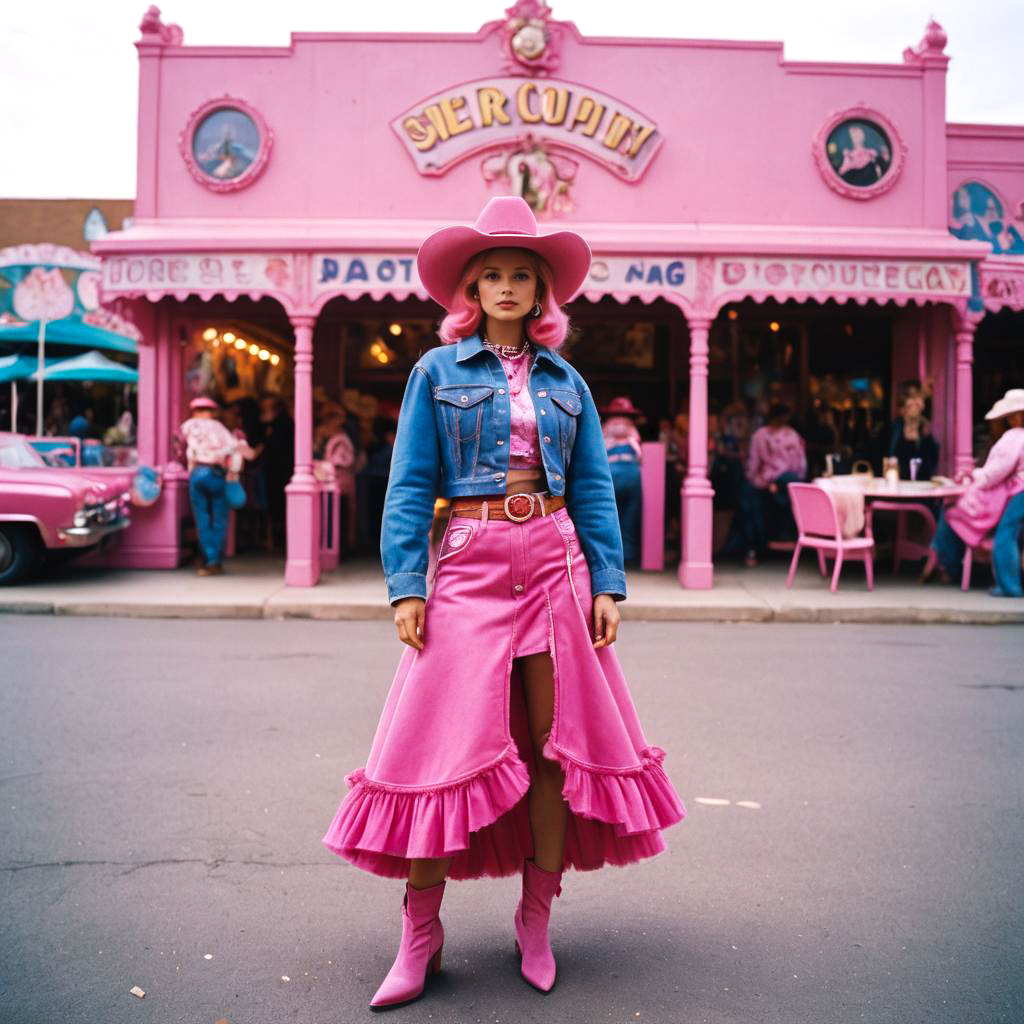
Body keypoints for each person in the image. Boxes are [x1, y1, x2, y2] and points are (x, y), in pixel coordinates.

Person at [320, 196, 686, 1009]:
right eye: (496, 276)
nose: (510, 287)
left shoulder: (568, 382)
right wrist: (406, 586)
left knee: (556, 749)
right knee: (437, 749)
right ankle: (420, 936)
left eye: (525, 275)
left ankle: (535, 920)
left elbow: (593, 488)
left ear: (543, 292)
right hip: (469, 563)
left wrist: (610, 583)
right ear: (472, 290)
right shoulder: (435, 372)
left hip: (556, 562)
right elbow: (410, 485)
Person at [923, 388, 1024, 596]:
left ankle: (1009, 586)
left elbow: (996, 471)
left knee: (1005, 534)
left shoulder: (1015, 437)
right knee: (1009, 533)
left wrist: (976, 477)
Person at [730, 403, 807, 566]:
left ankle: (753, 548)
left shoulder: (785, 435)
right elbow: (801, 466)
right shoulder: (771, 435)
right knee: (749, 498)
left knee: (749, 499)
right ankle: (755, 547)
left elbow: (753, 465)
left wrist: (766, 481)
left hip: (782, 483)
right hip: (779, 485)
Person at [180, 396, 239, 576]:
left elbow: (179, 445)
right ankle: (215, 559)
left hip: (197, 473)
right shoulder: (219, 428)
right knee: (219, 518)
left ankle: (209, 558)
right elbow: (233, 448)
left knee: (202, 518)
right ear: (211, 412)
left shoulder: (188, 426)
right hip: (216, 473)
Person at [600, 396, 644, 564]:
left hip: (611, 475)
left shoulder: (606, 428)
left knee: (610, 516)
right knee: (630, 517)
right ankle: (629, 555)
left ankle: (612, 556)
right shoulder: (632, 429)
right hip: (631, 475)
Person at [886, 381, 939, 480]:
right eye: (911, 398)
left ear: (923, 404)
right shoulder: (892, 429)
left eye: (918, 398)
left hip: (922, 488)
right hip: (897, 488)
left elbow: (932, 464)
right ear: (903, 405)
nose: (915, 402)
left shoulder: (928, 430)